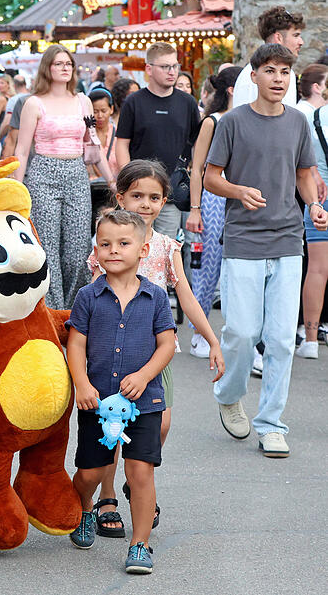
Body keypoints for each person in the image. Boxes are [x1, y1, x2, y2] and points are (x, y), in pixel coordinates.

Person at [87, 160, 224, 537]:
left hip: (156, 355)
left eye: (153, 197)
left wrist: (212, 338)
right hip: (112, 353)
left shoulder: (166, 247)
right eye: (136, 196)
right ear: (120, 198)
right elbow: (93, 299)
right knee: (112, 427)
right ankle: (108, 496)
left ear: (164, 201)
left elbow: (188, 297)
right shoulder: (107, 244)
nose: (145, 204)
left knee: (159, 423)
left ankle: (137, 476)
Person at [204, 44, 327, 458]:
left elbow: (304, 172)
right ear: (253, 76)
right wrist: (238, 191)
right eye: (270, 70)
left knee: (279, 339)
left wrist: (314, 204)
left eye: (285, 71)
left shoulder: (297, 122)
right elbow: (211, 177)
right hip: (243, 241)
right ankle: (229, 392)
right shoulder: (233, 122)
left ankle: (271, 423)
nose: (278, 78)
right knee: (241, 332)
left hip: (288, 240)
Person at [66, 209, 176, 574]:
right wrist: (81, 384)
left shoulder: (156, 297)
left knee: (140, 472)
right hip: (96, 401)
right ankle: (84, 508)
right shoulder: (87, 296)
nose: (113, 250)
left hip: (144, 402)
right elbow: (76, 344)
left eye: (123, 243)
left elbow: (166, 344)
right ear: (95, 249)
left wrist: (144, 376)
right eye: (105, 243)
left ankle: (140, 544)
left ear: (143, 250)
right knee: (90, 473)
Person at [13, 44, 113, 309]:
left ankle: (73, 310)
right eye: (58, 64)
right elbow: (22, 150)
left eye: (68, 63)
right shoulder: (33, 103)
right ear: (47, 67)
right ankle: (52, 311)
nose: (64, 68)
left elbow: (94, 147)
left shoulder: (83, 101)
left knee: (77, 250)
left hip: (77, 174)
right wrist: (14, 190)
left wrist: (112, 181)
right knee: (47, 248)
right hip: (43, 174)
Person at [185, 66, 243, 359]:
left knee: (238, 268)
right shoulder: (213, 121)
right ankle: (199, 331)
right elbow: (197, 168)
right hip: (212, 198)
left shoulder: (248, 118)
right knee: (207, 267)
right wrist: (195, 208)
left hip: (242, 196)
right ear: (232, 89)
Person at [116, 42, 200, 241]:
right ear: (149, 69)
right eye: (165, 67)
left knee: (165, 247)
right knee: (133, 243)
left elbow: (197, 146)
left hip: (171, 192)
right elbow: (122, 144)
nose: (172, 72)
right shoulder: (134, 102)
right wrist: (127, 183)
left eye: (175, 66)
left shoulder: (187, 102)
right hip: (138, 191)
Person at [297, 63, 328, 359]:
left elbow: (304, 164)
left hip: (318, 198)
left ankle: (310, 340)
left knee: (317, 269)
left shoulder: (311, 117)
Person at [232, 6, 304, 108]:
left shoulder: (289, 73)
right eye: (296, 35)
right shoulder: (253, 74)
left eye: (284, 73)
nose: (301, 42)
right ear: (278, 37)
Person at [86, 88, 118, 226]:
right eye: (95, 111)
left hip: (113, 192)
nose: (99, 116)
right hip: (90, 193)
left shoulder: (119, 134)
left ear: (111, 109)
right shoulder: (85, 135)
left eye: (103, 111)